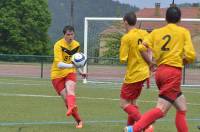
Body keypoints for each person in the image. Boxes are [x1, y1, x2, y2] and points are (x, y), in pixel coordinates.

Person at [124, 6, 196, 132]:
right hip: (173, 73)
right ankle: (134, 129)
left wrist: (150, 63)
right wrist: (181, 61)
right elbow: (191, 55)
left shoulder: (157, 32)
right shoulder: (183, 32)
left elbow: (141, 48)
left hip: (160, 72)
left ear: (165, 18)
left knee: (182, 107)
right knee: (161, 109)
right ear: (180, 19)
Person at [119, 11, 153, 131]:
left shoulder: (126, 37)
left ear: (125, 22)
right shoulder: (144, 33)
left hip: (133, 74)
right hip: (144, 73)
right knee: (132, 102)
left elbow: (123, 59)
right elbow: (150, 48)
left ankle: (146, 125)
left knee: (123, 103)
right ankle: (130, 128)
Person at [51, 25, 86, 129]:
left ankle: (77, 118)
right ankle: (78, 118)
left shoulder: (77, 45)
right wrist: (73, 65)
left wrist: (80, 71)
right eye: (68, 34)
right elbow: (59, 64)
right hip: (57, 74)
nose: (70, 36)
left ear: (74, 34)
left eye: (72, 34)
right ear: (64, 35)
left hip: (70, 72)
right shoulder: (58, 45)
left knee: (70, 90)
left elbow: (74, 61)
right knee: (66, 99)